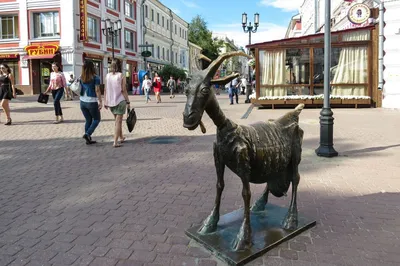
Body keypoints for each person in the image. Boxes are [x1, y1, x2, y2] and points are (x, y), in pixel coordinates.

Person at [104, 59, 131, 147]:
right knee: (118, 122)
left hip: (111, 102)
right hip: (120, 100)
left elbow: (105, 89)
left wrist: (105, 101)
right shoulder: (121, 76)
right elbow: (123, 90)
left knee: (117, 121)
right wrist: (128, 101)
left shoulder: (107, 76)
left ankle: (121, 137)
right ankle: (115, 142)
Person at [79, 60, 102, 145]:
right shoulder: (95, 77)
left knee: (88, 119)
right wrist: (100, 101)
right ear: (93, 67)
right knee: (97, 119)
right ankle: (87, 134)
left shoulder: (82, 76)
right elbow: (97, 90)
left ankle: (88, 139)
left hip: (82, 101)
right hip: (91, 101)